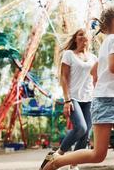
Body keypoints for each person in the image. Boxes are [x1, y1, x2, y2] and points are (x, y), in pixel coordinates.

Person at [41, 6, 114, 170]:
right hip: (106, 101)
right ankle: (56, 161)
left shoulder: (106, 43)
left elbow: (95, 70)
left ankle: (57, 159)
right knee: (98, 154)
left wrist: (99, 84)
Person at [40, 28, 97, 170]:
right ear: (75, 38)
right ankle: (58, 154)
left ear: (89, 39)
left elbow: (97, 79)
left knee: (86, 134)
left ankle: (74, 164)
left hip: (89, 98)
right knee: (81, 128)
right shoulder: (69, 54)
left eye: (85, 34)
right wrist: (67, 100)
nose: (83, 36)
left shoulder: (94, 58)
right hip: (73, 98)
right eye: (80, 34)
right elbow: (64, 78)